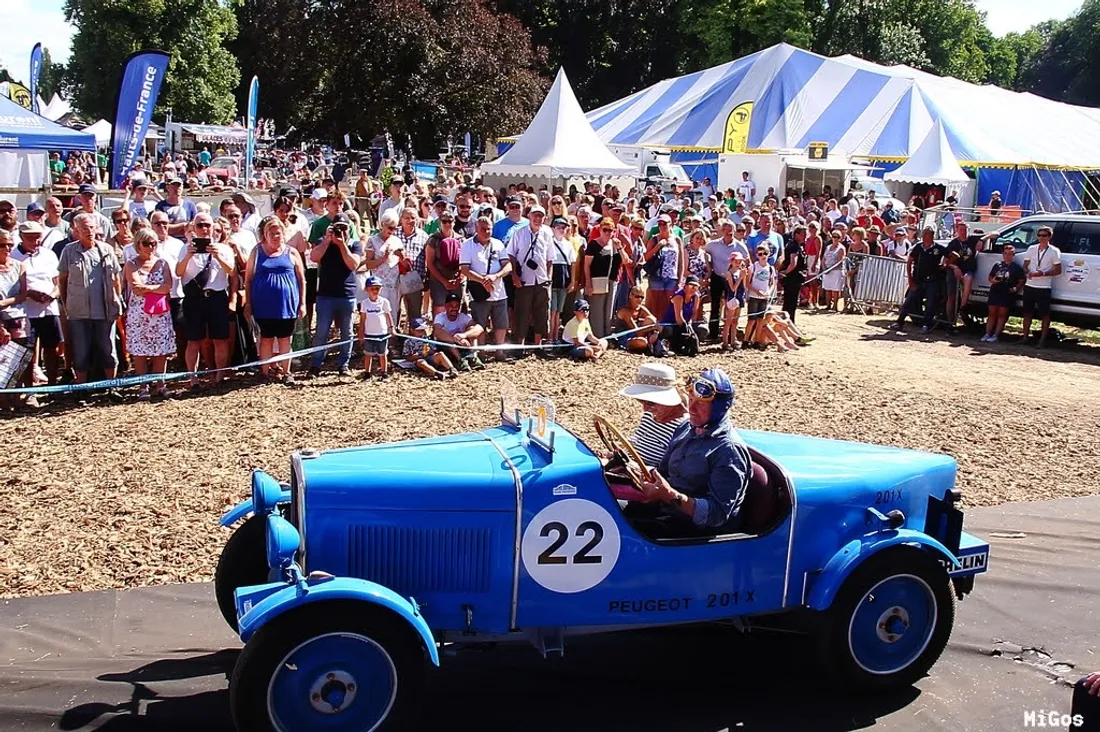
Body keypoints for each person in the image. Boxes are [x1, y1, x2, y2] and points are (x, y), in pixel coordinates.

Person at [636, 367, 751, 535]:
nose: (691, 409)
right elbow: (663, 472)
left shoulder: (728, 451)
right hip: (666, 513)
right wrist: (635, 469)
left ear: (720, 407)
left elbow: (717, 515)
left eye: (701, 404)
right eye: (690, 400)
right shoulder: (686, 427)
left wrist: (670, 496)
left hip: (697, 534)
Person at [245, 215, 306, 384]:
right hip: (263, 306)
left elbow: (301, 279)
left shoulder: (291, 252)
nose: (274, 236)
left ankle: (286, 372)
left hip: (287, 306)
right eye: (270, 233)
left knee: (285, 339)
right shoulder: (256, 253)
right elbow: (248, 279)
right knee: (265, 339)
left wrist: (302, 303)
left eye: (277, 232)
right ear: (264, 234)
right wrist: (248, 303)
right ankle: (265, 372)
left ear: (283, 233)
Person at [123, 229, 175, 399]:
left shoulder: (163, 263)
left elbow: (168, 287)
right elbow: (136, 288)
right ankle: (143, 386)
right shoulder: (131, 264)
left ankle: (160, 384)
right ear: (138, 244)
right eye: (146, 243)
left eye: (153, 243)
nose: (150, 247)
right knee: (140, 352)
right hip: (139, 315)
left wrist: (149, 289)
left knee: (161, 350)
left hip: (160, 313)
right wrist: (157, 289)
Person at [617, 362, 688, 467]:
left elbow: (671, 470)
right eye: (641, 401)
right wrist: (620, 452)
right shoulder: (651, 415)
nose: (645, 408)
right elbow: (637, 439)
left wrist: (633, 467)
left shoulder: (682, 428)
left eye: (650, 402)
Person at [1019, 225, 1061, 347]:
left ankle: (1042, 341)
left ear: (1049, 237)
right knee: (1027, 313)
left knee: (1045, 315)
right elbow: (1025, 265)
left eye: (1044, 236)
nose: (1041, 238)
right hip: (1030, 285)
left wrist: (1042, 273)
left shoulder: (1054, 251)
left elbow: (1058, 270)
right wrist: (1028, 272)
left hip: (1044, 287)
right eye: (1039, 235)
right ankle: (1025, 337)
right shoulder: (1032, 249)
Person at [982, 244, 1025, 343]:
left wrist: (1015, 288)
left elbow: (1021, 280)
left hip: (1007, 292)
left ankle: (996, 335)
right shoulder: (998, 265)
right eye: (1005, 253)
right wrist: (993, 280)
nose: (1007, 256)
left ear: (1013, 255)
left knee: (1002, 314)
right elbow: (990, 277)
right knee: (992, 313)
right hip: (996, 290)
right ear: (1003, 254)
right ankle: (987, 333)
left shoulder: (1016, 267)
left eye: (1010, 254)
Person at [359, 275, 394, 379]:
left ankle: (384, 372)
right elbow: (363, 319)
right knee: (368, 354)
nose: (375, 291)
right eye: (372, 288)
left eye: (377, 288)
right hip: (369, 334)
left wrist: (392, 327)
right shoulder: (364, 303)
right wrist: (361, 332)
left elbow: (388, 315)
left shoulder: (384, 302)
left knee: (382, 354)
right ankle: (367, 373)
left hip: (382, 334)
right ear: (366, 289)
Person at [616, 286, 660, 354]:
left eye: (642, 297)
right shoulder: (624, 311)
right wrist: (652, 328)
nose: (640, 299)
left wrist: (655, 332)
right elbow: (635, 330)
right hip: (626, 337)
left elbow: (654, 320)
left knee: (650, 319)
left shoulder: (641, 309)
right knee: (642, 342)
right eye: (637, 296)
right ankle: (650, 343)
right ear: (630, 295)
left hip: (639, 334)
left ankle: (650, 343)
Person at [722, 252, 747, 350]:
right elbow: (732, 288)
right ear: (731, 261)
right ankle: (725, 342)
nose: (738, 263)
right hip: (732, 298)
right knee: (728, 321)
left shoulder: (740, 271)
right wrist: (740, 277)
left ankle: (732, 341)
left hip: (739, 298)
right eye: (736, 261)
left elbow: (744, 287)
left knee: (735, 321)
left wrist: (743, 277)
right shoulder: (729, 273)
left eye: (740, 261)